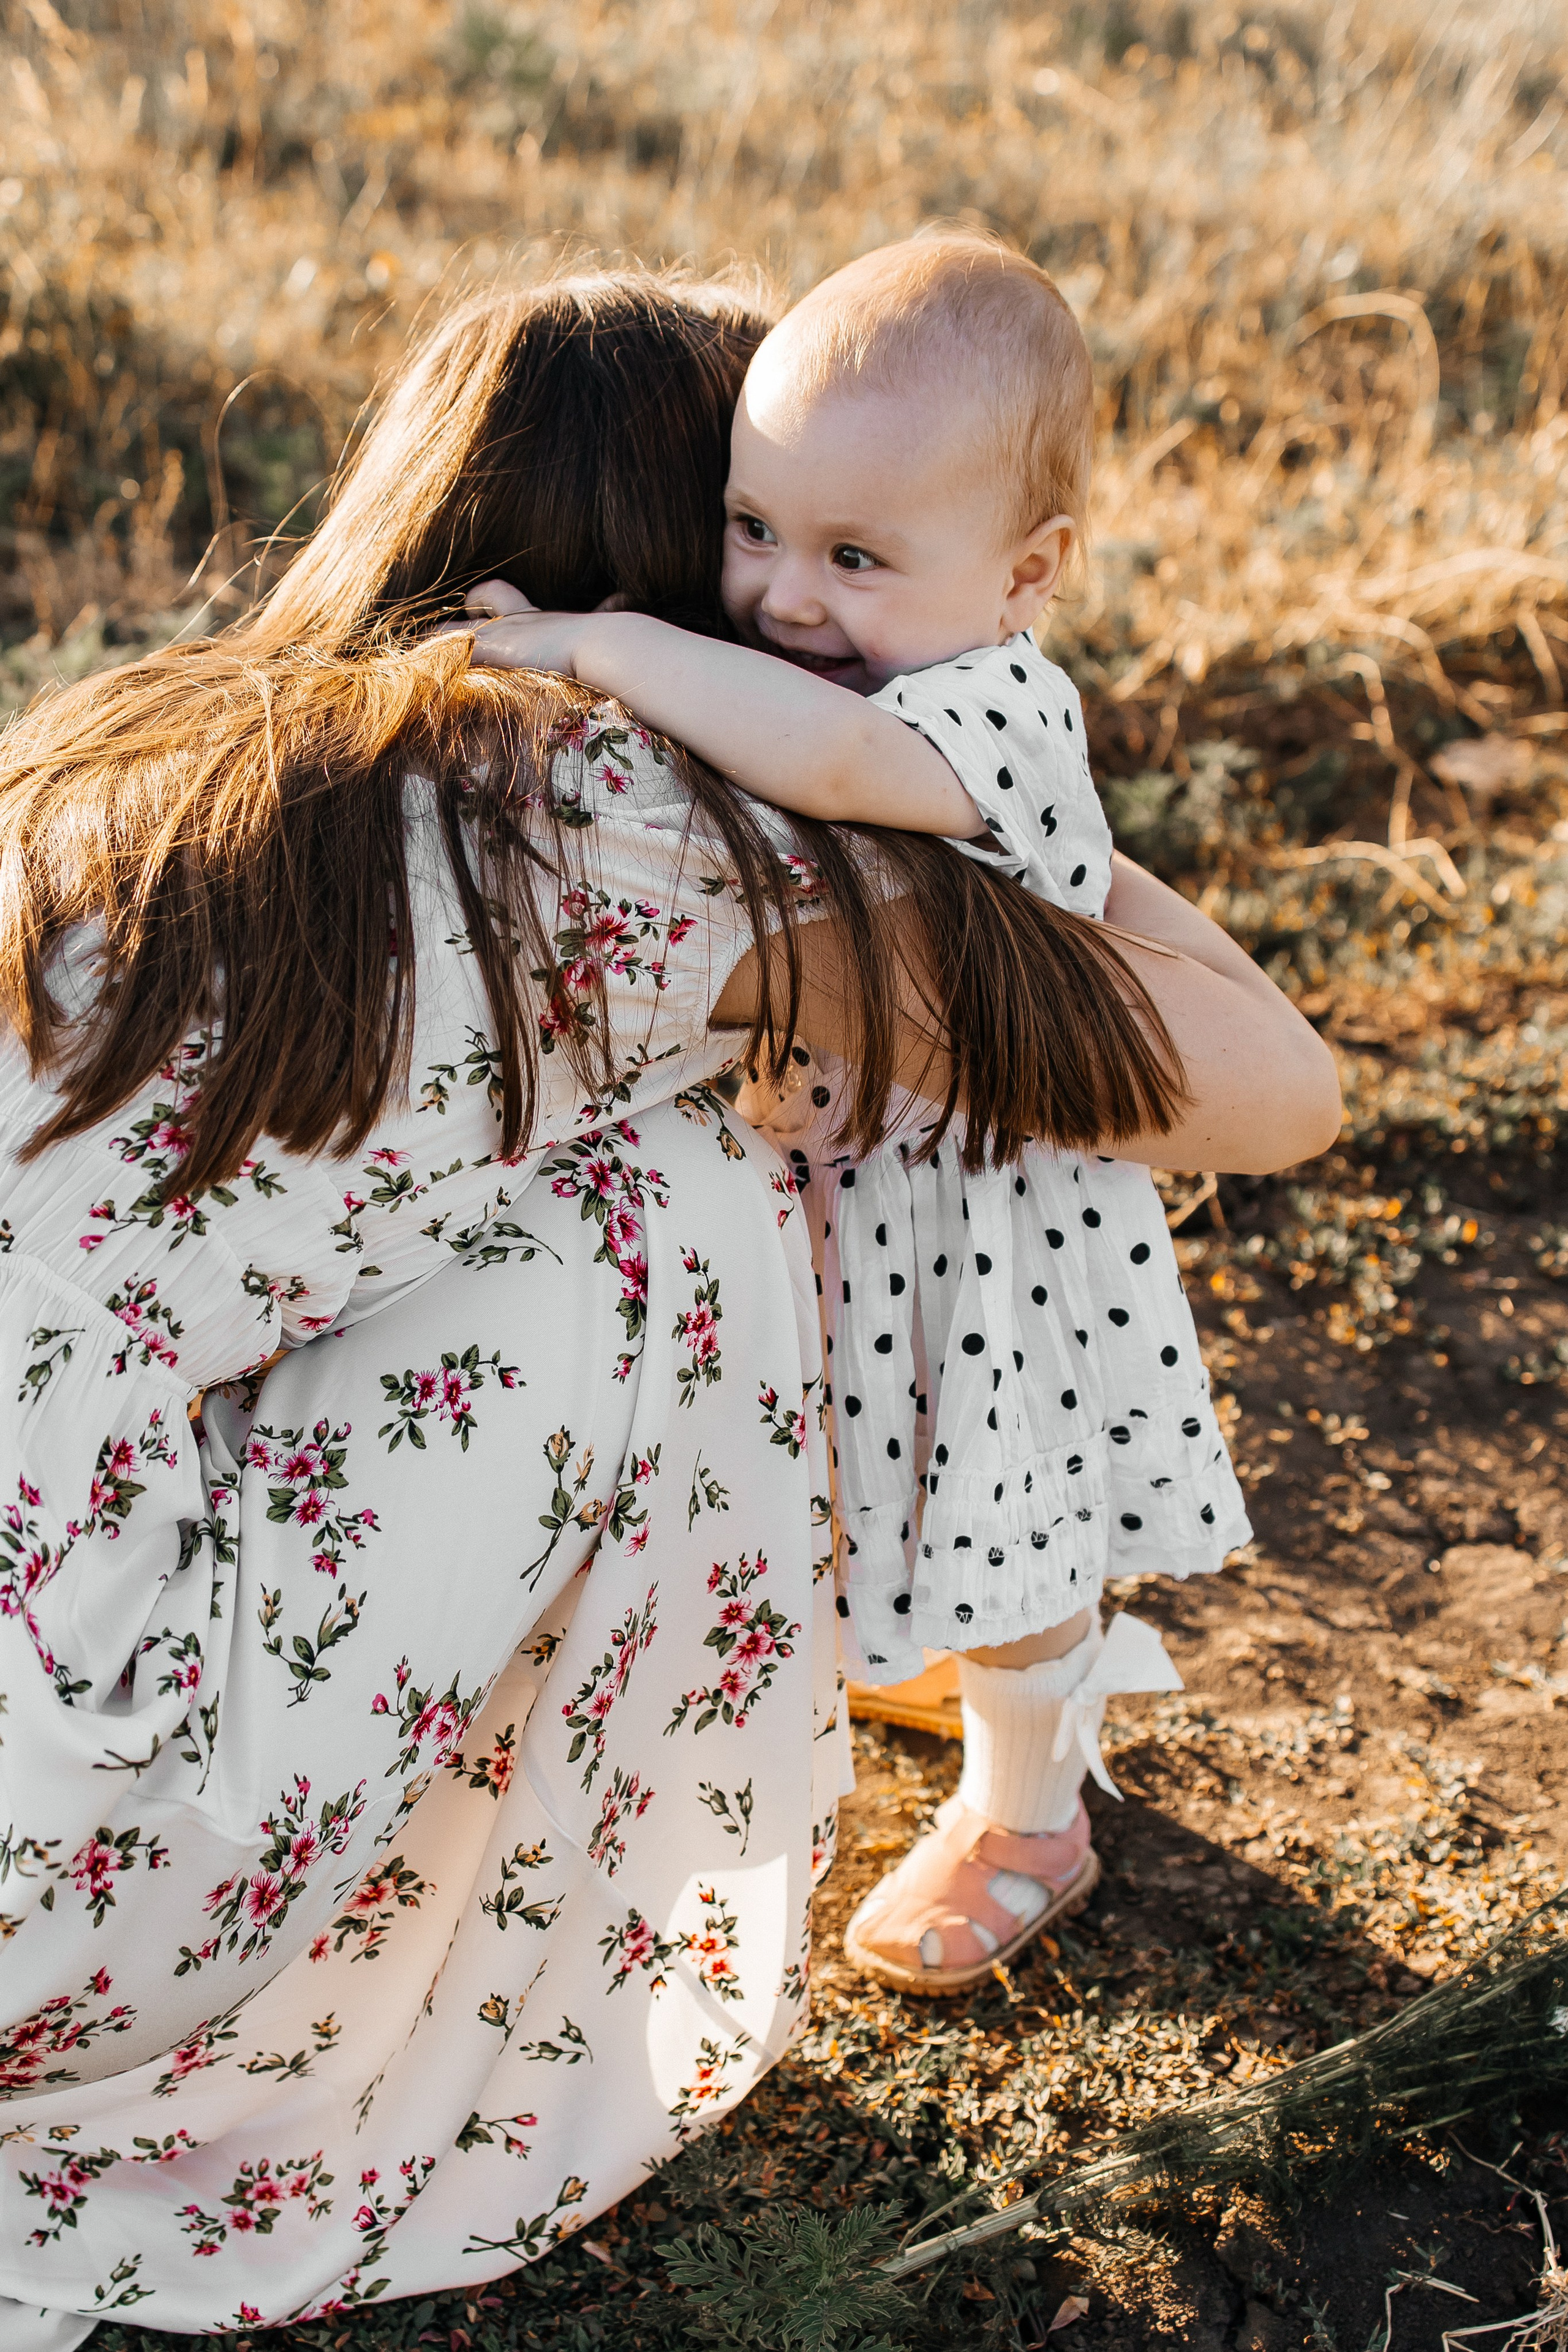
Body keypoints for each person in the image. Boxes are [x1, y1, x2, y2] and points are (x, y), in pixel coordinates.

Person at [0, 269, 1336, 2345]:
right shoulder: (635, 825)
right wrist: (992, 773)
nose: (786, 598)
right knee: (668, 1190)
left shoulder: (160, 755)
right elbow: (1273, 1089)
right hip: (56, 1864)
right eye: (750, 533)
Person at [453, 233, 1333, 1992]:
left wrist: (597, 641)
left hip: (990, 1240)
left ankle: (1032, 1810)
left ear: (1030, 575)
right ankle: (947, 1680)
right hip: (873, 1198)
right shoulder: (847, 669)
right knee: (889, 1492)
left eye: (858, 556)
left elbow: (837, 777)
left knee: (1000, 1521)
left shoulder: (990, 706)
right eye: (757, 528)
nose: (782, 597)